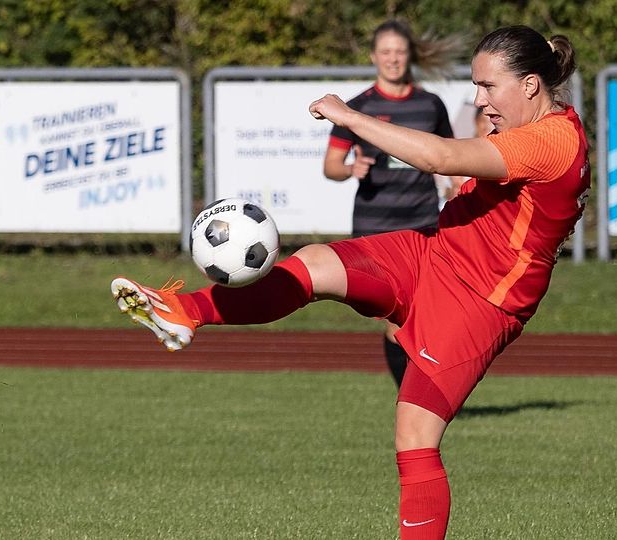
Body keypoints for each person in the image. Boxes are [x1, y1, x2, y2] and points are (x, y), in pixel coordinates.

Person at [111, 25, 587, 540]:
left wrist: (352, 116)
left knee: (415, 437)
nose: (479, 99)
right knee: (316, 263)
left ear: (531, 85)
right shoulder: (534, 125)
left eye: (488, 87)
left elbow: (440, 158)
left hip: (479, 303)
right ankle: (185, 312)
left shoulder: (552, 141)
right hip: (434, 254)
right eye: (476, 86)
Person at [322, 19, 458, 388]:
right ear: (373, 57)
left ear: (409, 56)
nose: (393, 59)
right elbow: (331, 166)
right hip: (375, 226)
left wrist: (457, 188)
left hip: (424, 222)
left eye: (399, 52)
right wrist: (350, 169)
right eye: (386, 52)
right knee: (398, 318)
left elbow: (451, 157)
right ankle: (414, 396)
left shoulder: (430, 104)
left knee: (422, 314)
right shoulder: (357, 108)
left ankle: (418, 396)